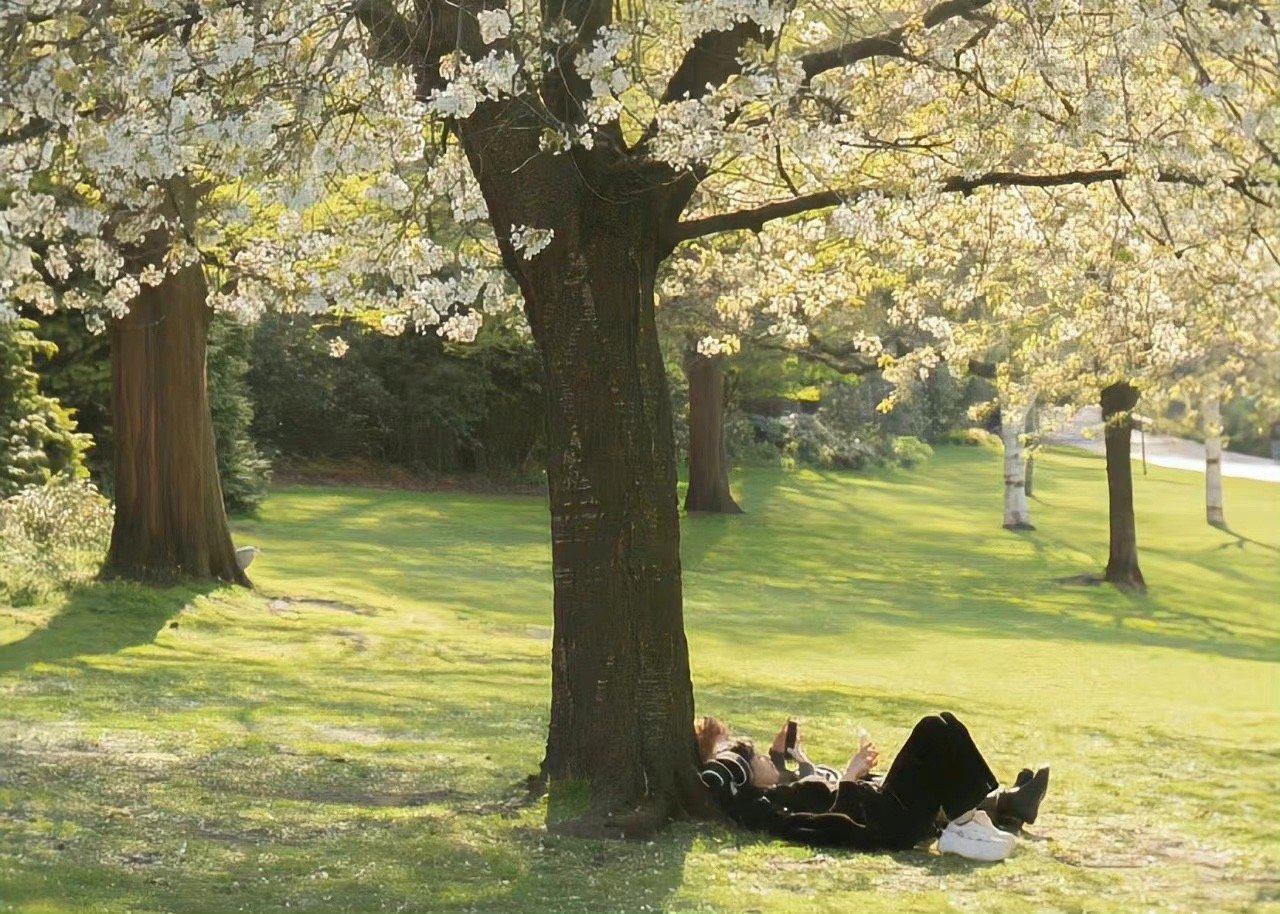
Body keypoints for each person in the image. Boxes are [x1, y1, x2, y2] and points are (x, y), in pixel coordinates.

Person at [695, 713, 1050, 862]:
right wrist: (849, 778)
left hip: (884, 808)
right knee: (931, 730)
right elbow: (829, 824)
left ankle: (980, 814)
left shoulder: (783, 786)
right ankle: (976, 819)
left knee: (944, 724)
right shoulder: (769, 804)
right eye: (752, 756)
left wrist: (785, 756)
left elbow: (784, 774)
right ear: (745, 774)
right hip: (885, 822)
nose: (759, 755)